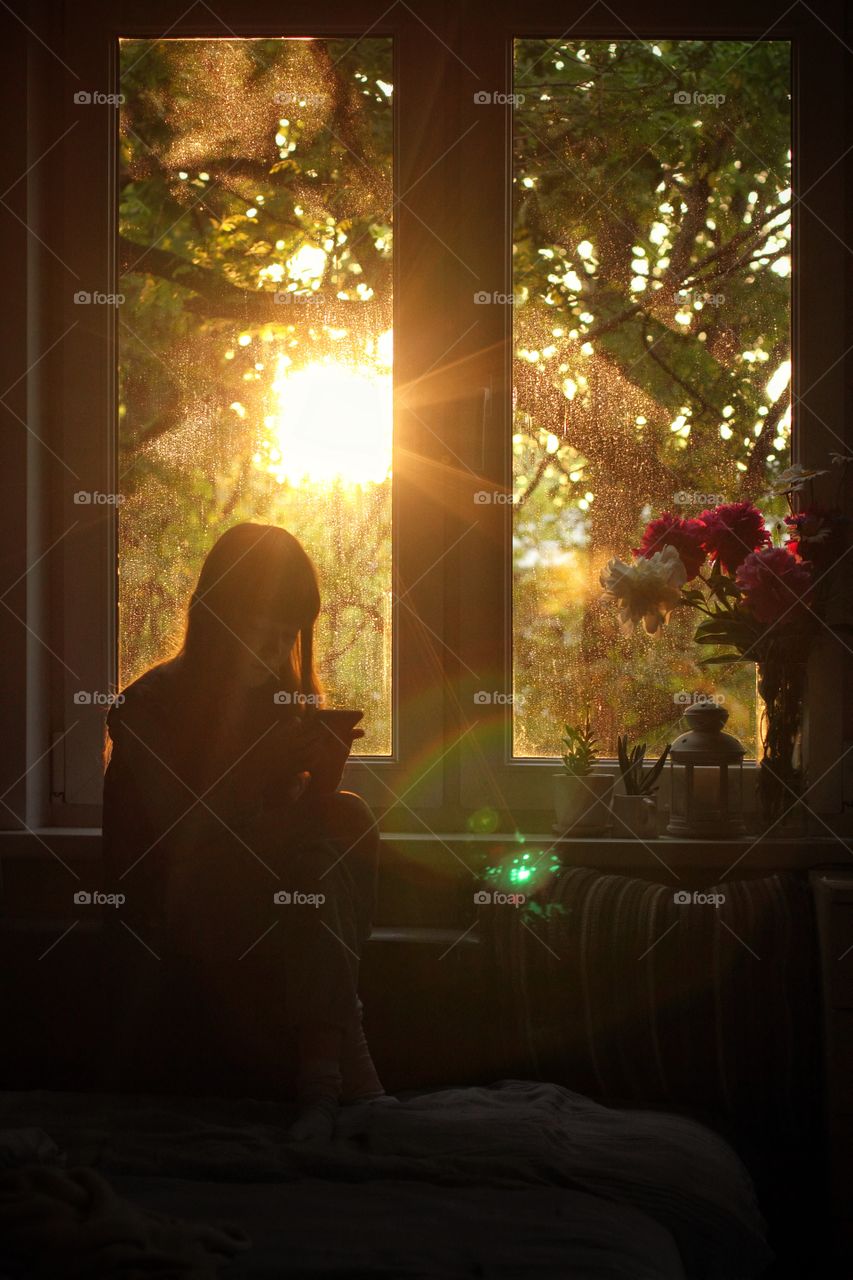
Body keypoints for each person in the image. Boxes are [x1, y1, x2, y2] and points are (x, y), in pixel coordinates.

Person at [102, 522, 385, 1140]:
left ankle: (326, 1087)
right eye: (266, 627)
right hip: (172, 902)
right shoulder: (147, 708)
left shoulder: (276, 700)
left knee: (343, 823)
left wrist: (317, 772)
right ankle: (346, 1078)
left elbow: (283, 828)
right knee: (322, 853)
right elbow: (175, 844)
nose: (278, 646)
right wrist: (260, 769)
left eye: (291, 631)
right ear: (218, 616)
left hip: (264, 892)